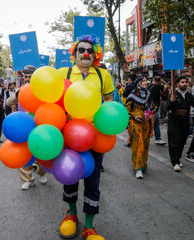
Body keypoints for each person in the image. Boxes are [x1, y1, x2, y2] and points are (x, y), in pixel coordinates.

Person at [57, 35, 114, 240]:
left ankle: (89, 227)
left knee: (93, 180)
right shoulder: (63, 73)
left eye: (89, 50)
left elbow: (109, 102)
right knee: (70, 177)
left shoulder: (103, 75)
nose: (85, 53)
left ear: (96, 55)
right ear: (74, 54)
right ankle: (71, 215)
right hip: (69, 136)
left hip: (94, 138)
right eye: (81, 50)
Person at [167, 76, 194, 172]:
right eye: (182, 82)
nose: (184, 84)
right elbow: (168, 107)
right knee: (174, 141)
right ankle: (174, 162)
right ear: (177, 84)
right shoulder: (173, 94)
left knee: (182, 141)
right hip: (175, 120)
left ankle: (177, 159)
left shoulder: (188, 95)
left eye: (186, 82)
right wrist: (171, 101)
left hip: (185, 121)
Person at [126, 76, 155, 179]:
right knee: (139, 144)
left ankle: (143, 165)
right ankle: (137, 168)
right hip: (135, 123)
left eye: (146, 81)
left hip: (146, 123)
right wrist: (134, 116)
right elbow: (126, 111)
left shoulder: (150, 94)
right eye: (143, 81)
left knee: (146, 144)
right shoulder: (132, 96)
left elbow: (154, 107)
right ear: (138, 83)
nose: (145, 82)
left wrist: (151, 114)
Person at [148, 76, 169, 145]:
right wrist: (163, 81)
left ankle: (158, 138)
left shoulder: (150, 87)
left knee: (155, 124)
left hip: (151, 108)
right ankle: (146, 138)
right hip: (154, 108)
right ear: (159, 81)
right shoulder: (157, 86)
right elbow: (167, 86)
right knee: (152, 124)